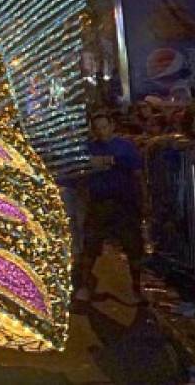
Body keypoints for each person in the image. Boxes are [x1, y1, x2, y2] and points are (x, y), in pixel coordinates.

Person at [77, 112, 145, 304]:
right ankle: (84, 286)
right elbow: (81, 172)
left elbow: (137, 172)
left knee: (133, 246)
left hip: (124, 203)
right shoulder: (89, 148)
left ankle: (136, 288)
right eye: (97, 128)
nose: (101, 131)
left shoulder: (126, 146)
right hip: (99, 202)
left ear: (112, 126)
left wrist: (143, 200)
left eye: (104, 126)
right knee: (90, 245)